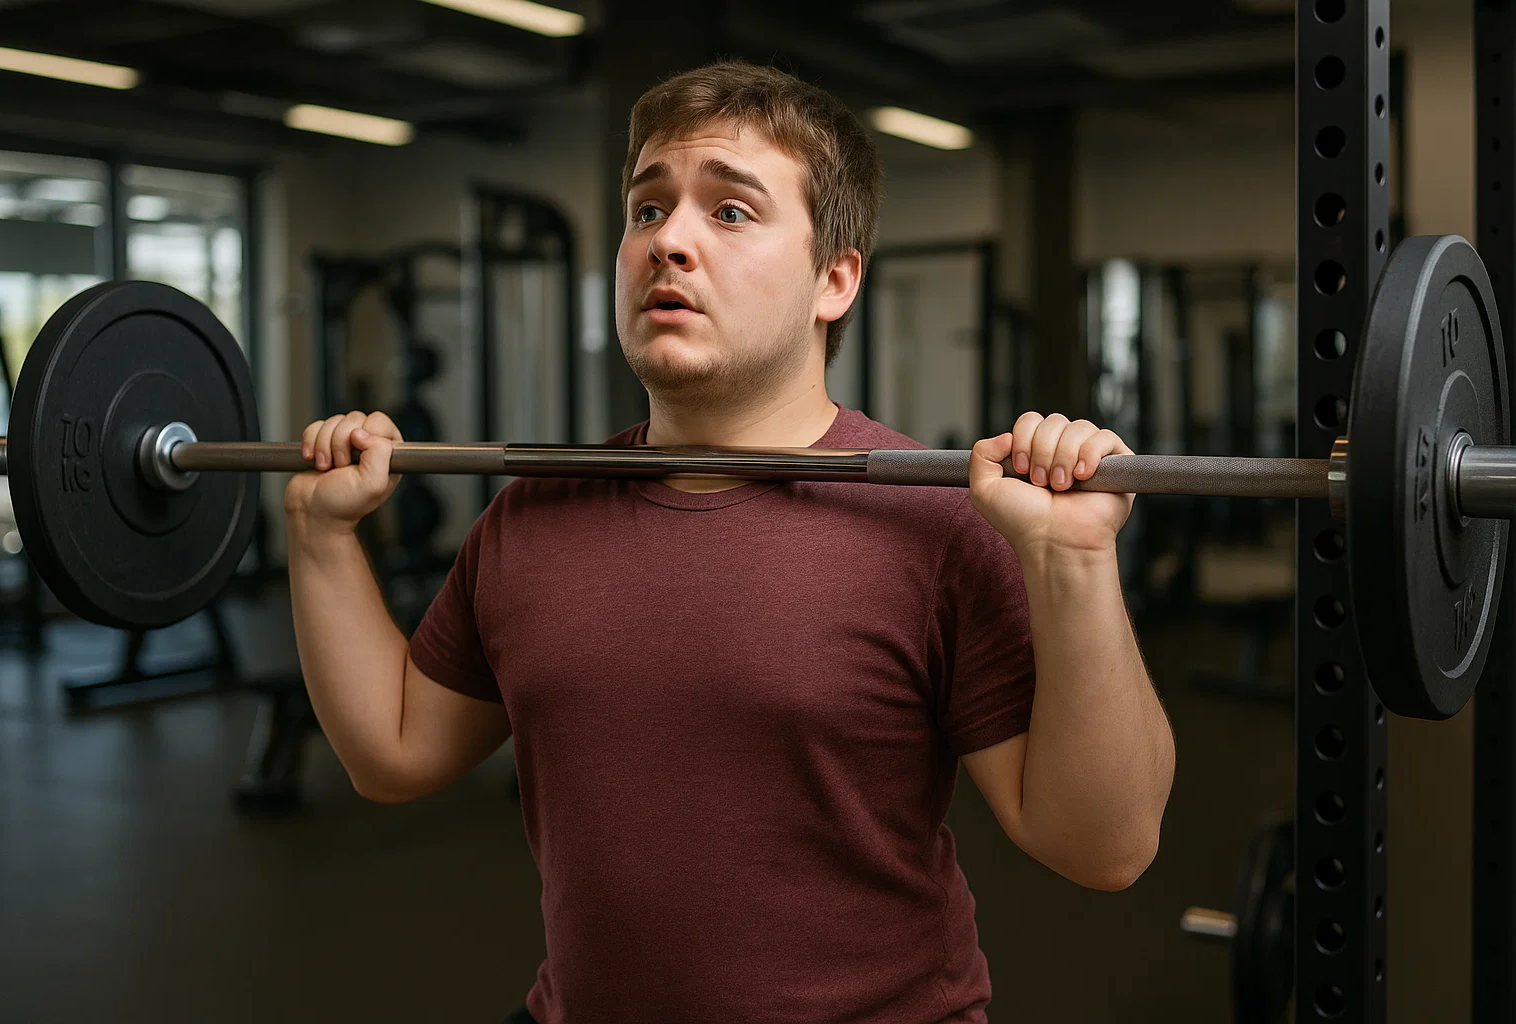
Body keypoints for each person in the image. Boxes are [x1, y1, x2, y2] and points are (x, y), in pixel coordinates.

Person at [284, 61, 1176, 1024]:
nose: (669, 240)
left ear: (833, 280)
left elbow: (1104, 845)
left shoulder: (934, 522)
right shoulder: (535, 514)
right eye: (646, 209)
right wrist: (321, 535)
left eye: (732, 212)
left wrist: (1077, 563)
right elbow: (395, 752)